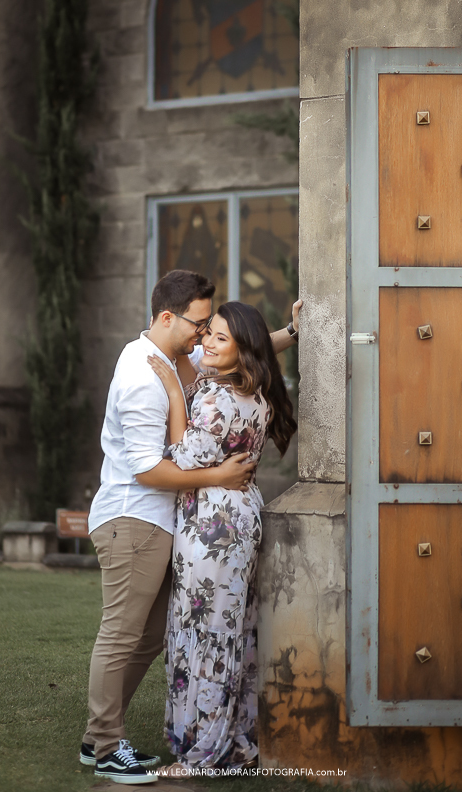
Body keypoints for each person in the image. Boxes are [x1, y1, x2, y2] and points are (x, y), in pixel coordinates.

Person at [80, 270, 300, 784]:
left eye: (210, 328)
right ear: (166, 318)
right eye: (200, 325)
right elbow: (147, 469)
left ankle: (100, 736)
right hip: (134, 516)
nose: (205, 336)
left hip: (173, 521)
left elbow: (241, 345)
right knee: (122, 633)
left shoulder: (184, 356)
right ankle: (108, 745)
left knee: (151, 635)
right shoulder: (142, 374)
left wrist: (291, 334)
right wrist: (219, 473)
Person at [147, 301, 297, 777]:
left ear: (239, 350)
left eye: (218, 338)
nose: (205, 344)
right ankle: (237, 746)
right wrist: (293, 330)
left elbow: (182, 459)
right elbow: (253, 346)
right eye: (206, 333)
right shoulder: (253, 392)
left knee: (204, 634)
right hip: (241, 516)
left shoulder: (212, 399)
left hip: (213, 526)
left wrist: (174, 390)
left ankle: (198, 758)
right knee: (231, 631)